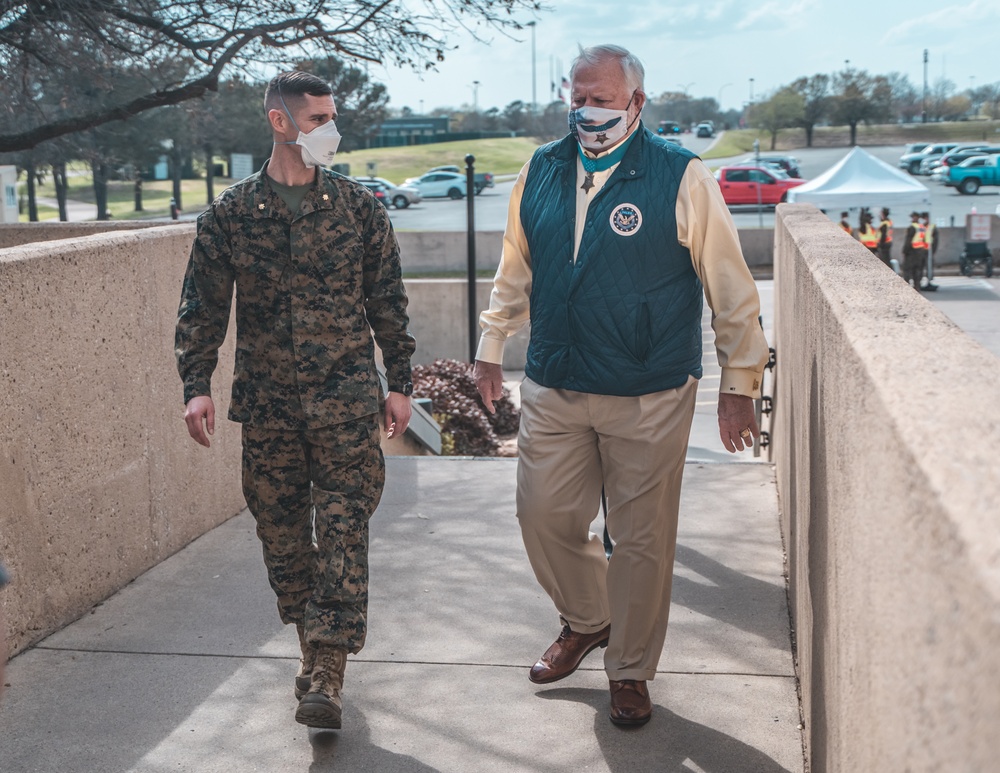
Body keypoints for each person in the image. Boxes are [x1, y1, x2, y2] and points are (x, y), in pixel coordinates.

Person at [473, 45, 769, 728]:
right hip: (554, 376)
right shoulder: (542, 170)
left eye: (603, 98)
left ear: (637, 101)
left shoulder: (679, 174)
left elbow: (730, 284)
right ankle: (588, 617)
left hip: (649, 388)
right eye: (578, 96)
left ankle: (630, 668)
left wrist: (740, 382)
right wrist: (493, 347)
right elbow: (515, 267)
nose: (588, 110)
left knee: (639, 538)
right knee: (542, 516)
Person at [175, 70, 415, 730]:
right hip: (270, 408)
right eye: (317, 120)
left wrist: (400, 382)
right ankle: (314, 649)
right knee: (283, 540)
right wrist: (196, 384)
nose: (330, 131)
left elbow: (387, 303)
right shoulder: (229, 216)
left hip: (344, 403)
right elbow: (202, 307)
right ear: (280, 122)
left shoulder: (360, 210)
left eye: (332, 118)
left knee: (341, 528)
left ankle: (329, 665)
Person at [902, 211, 928, 290]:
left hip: (912, 251)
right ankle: (917, 286)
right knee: (917, 269)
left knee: (907, 269)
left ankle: (907, 286)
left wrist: (904, 251)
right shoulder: (922, 227)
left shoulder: (912, 227)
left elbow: (908, 240)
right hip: (920, 250)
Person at [921, 212, 940, 291]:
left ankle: (929, 281)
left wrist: (933, 251)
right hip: (921, 250)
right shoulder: (921, 226)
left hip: (929, 250)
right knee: (920, 267)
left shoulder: (932, 227)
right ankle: (919, 282)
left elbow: (935, 240)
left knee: (929, 266)